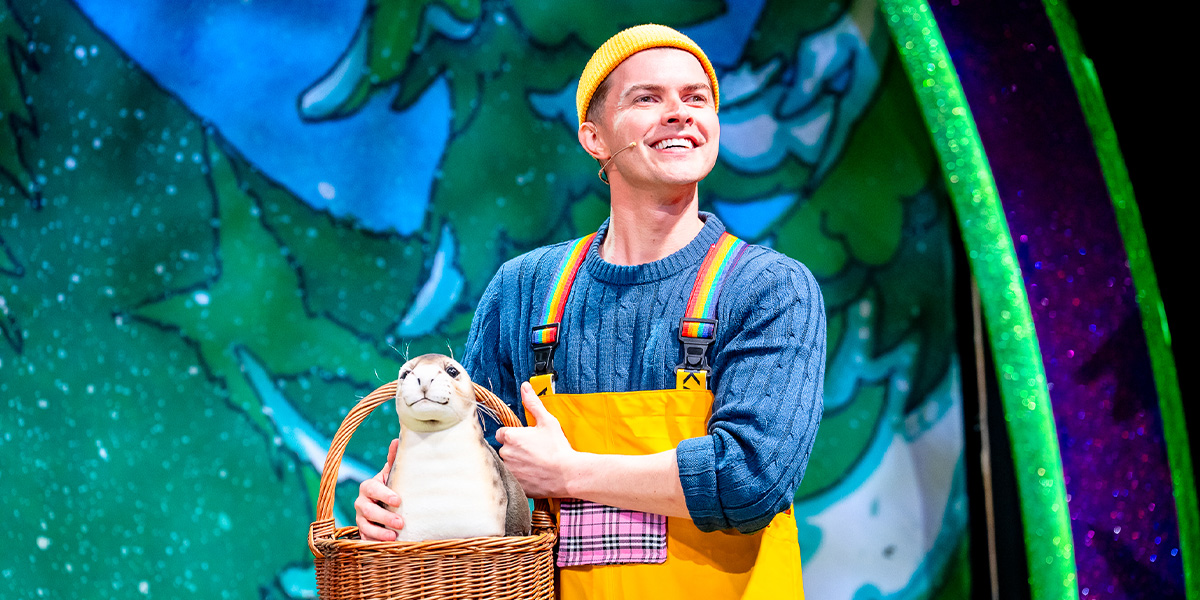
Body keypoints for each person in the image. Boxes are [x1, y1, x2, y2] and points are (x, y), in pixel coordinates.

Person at [355, 24, 825, 599]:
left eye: (696, 98)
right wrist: (396, 507)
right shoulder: (523, 290)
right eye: (647, 98)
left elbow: (751, 480)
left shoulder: (770, 288)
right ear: (594, 138)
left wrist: (570, 472)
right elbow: (477, 473)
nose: (679, 113)